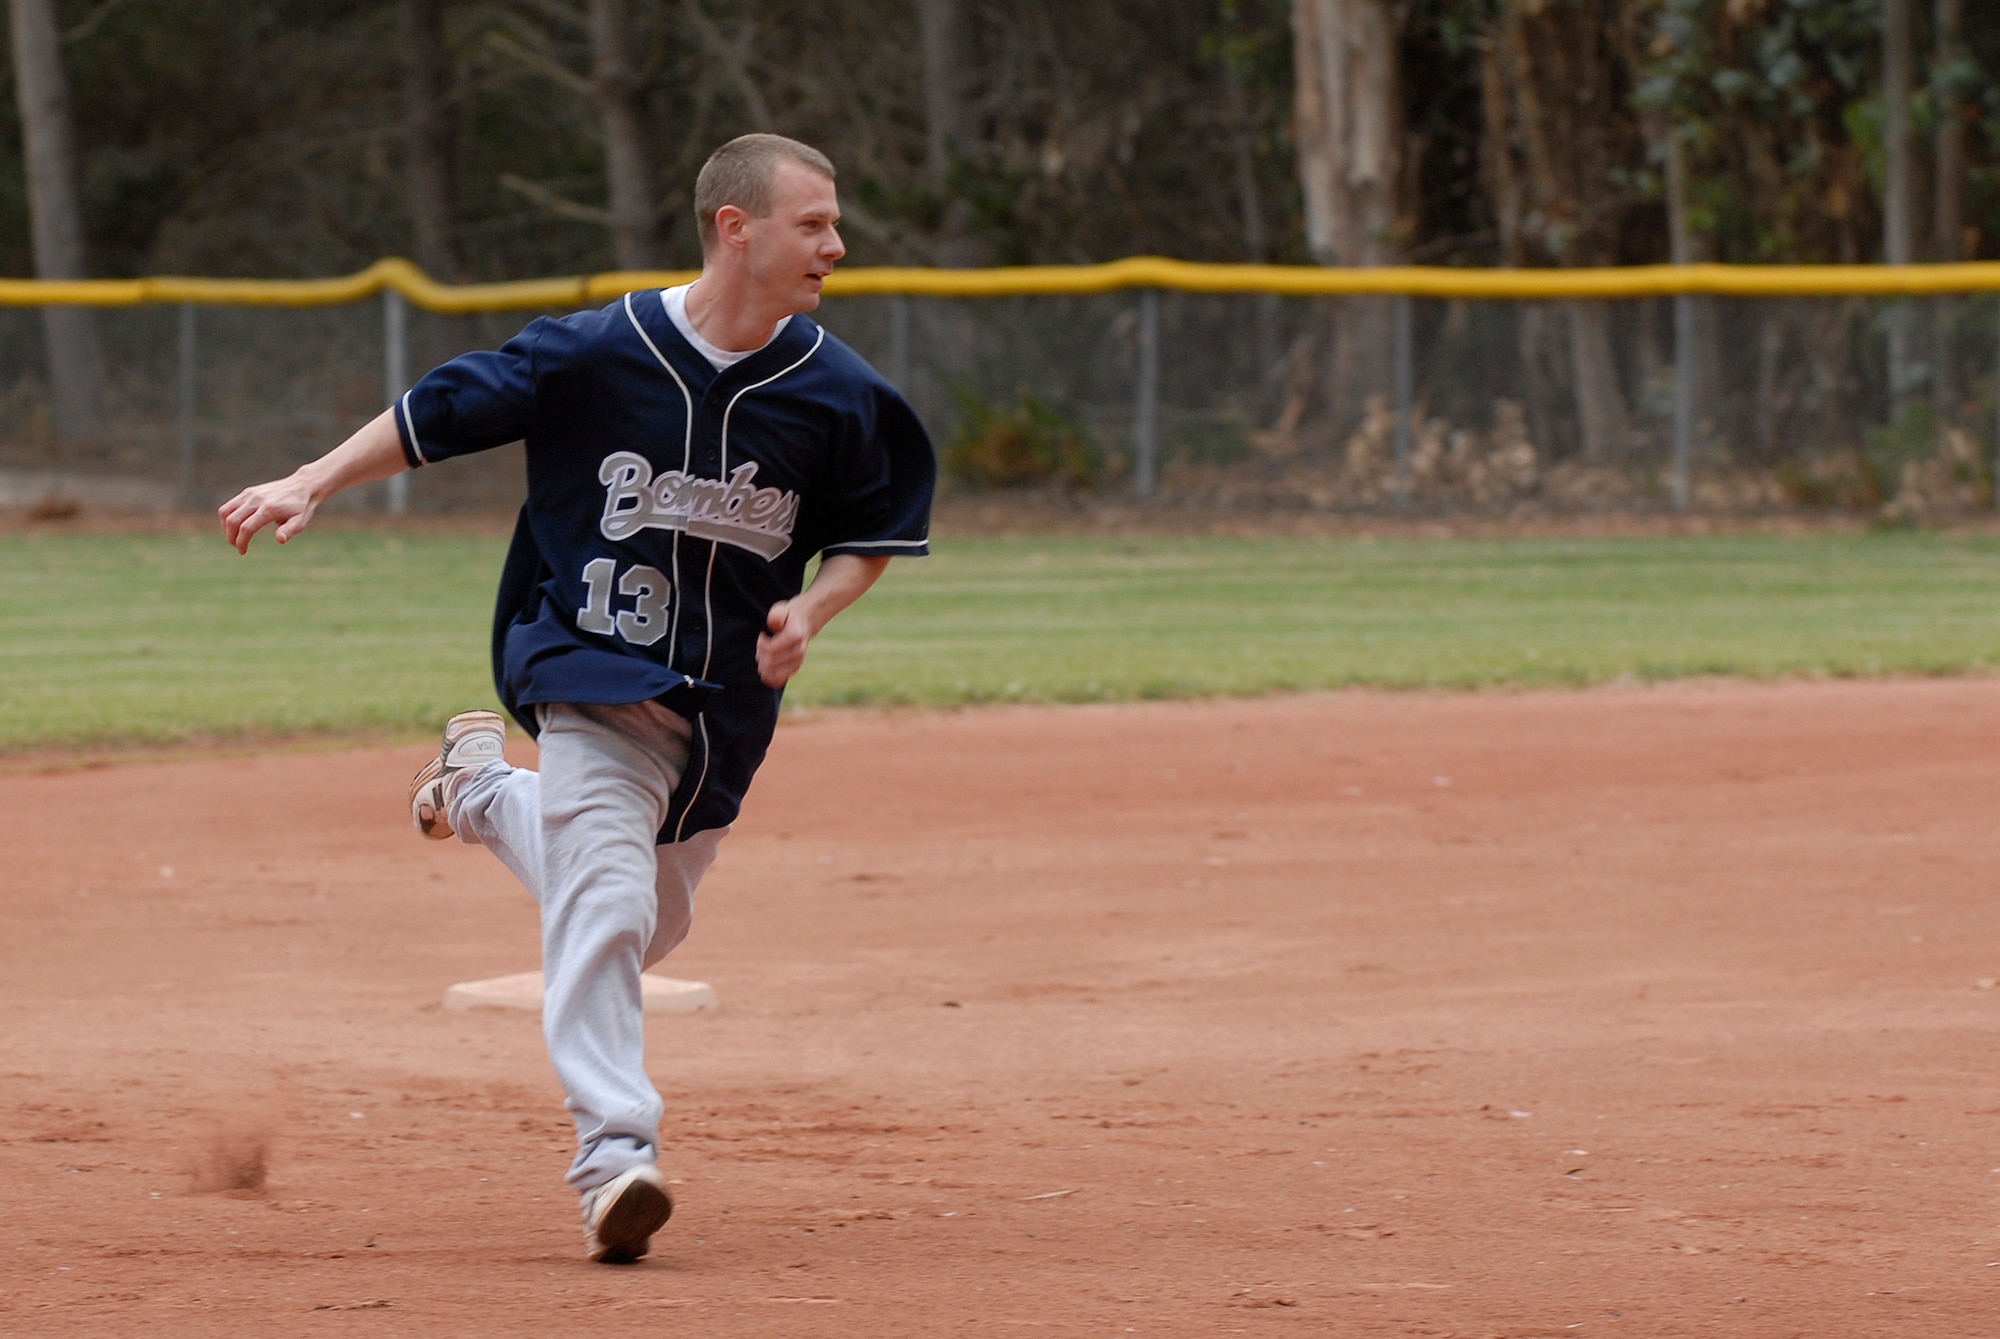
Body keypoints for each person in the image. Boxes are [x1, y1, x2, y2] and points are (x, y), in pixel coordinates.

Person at [218, 133, 935, 1264]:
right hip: (585, 671)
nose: (835, 245)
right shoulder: (600, 350)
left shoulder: (836, 394)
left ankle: (485, 795)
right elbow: (435, 412)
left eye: (834, 224)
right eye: (813, 223)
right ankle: (615, 1159)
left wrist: (817, 610)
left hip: (720, 714)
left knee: (651, 918)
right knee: (603, 909)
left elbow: (865, 533)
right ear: (732, 227)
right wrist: (309, 479)